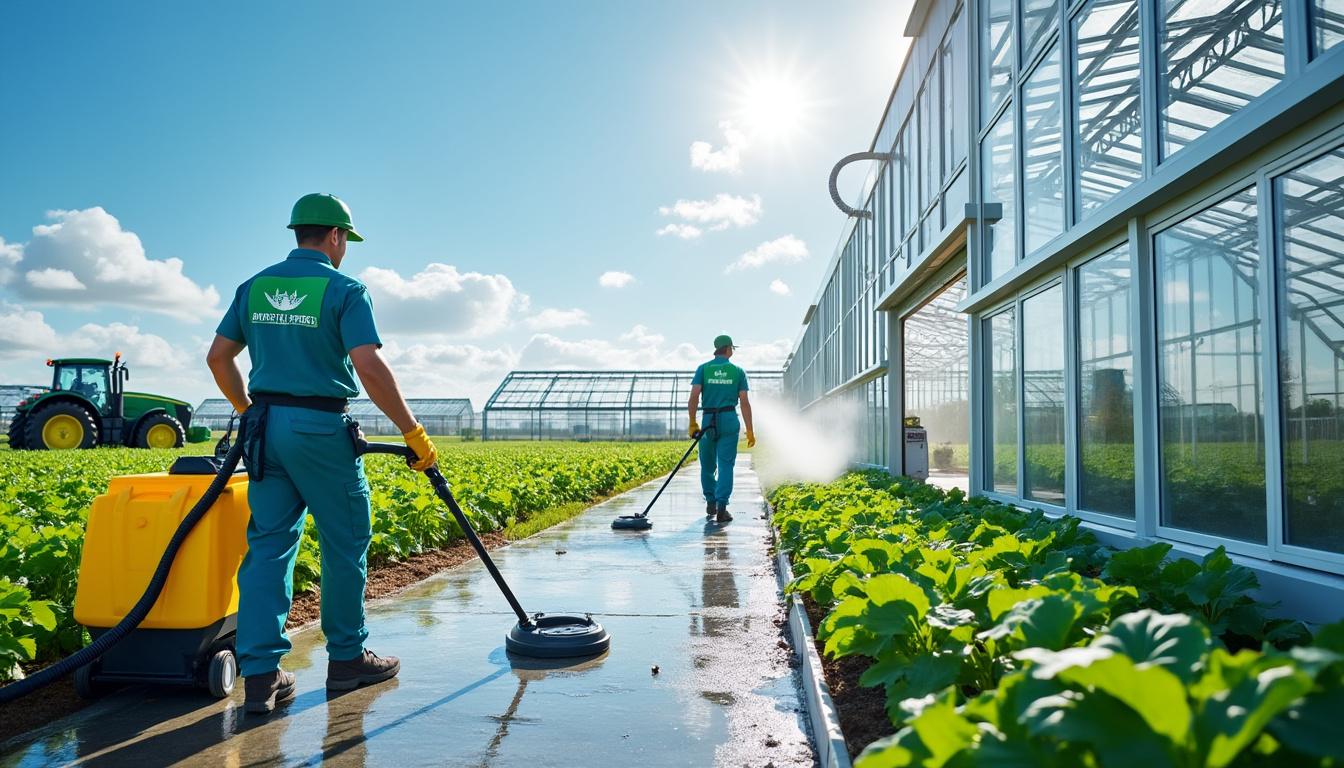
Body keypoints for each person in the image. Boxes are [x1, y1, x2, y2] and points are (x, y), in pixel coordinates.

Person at [206, 193, 438, 714]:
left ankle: (260, 677)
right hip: (320, 429)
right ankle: (348, 660)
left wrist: (247, 410)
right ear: (335, 235)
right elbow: (369, 367)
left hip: (265, 430)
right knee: (345, 541)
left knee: (268, 547)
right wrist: (412, 431)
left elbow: (219, 357)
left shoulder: (254, 287)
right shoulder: (344, 289)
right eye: (346, 239)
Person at [687, 334, 755, 523]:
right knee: (726, 465)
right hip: (729, 418)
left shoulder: (703, 368)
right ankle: (722, 507)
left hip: (708, 419)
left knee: (707, 464)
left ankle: (711, 502)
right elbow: (745, 402)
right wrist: (750, 430)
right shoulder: (738, 371)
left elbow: (694, 396)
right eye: (732, 348)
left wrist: (692, 422)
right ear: (728, 349)